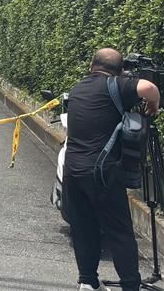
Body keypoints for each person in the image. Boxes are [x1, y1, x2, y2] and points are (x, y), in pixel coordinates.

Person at [64, 48, 160, 291]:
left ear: (90, 66)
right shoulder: (116, 85)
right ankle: (130, 285)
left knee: (83, 228)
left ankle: (87, 281)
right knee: (120, 232)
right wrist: (154, 106)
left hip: (72, 170)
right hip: (102, 172)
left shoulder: (78, 89)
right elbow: (149, 88)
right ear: (119, 71)